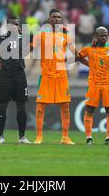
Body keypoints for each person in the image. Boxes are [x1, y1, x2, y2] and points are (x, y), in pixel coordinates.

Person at [77, 27, 109, 145]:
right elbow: (77, 58)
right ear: (96, 36)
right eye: (102, 35)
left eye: (106, 35)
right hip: (93, 84)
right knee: (89, 110)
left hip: (107, 84)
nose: (104, 38)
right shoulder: (89, 49)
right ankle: (89, 137)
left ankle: (108, 138)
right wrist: (89, 64)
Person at [33, 9, 77, 145]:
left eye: (59, 17)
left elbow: (76, 54)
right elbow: (30, 48)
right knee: (40, 107)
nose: (57, 19)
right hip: (46, 76)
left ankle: (65, 137)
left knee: (65, 106)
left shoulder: (66, 34)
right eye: (54, 17)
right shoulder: (41, 34)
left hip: (61, 76)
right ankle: (39, 137)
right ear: (49, 19)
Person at [0, 16, 32, 144]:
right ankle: (0, 136)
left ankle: (22, 137)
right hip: (5, 75)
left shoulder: (25, 38)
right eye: (12, 24)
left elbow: (40, 40)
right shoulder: (1, 39)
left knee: (21, 105)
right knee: (2, 105)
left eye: (16, 24)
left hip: (19, 74)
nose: (15, 26)